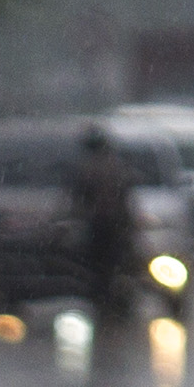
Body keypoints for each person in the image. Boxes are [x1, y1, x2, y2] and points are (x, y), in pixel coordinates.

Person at [66, 127, 139, 315]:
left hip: (99, 226)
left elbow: (78, 201)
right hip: (114, 226)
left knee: (99, 268)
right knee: (115, 266)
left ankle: (104, 301)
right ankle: (113, 301)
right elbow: (126, 200)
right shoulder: (117, 167)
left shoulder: (88, 169)